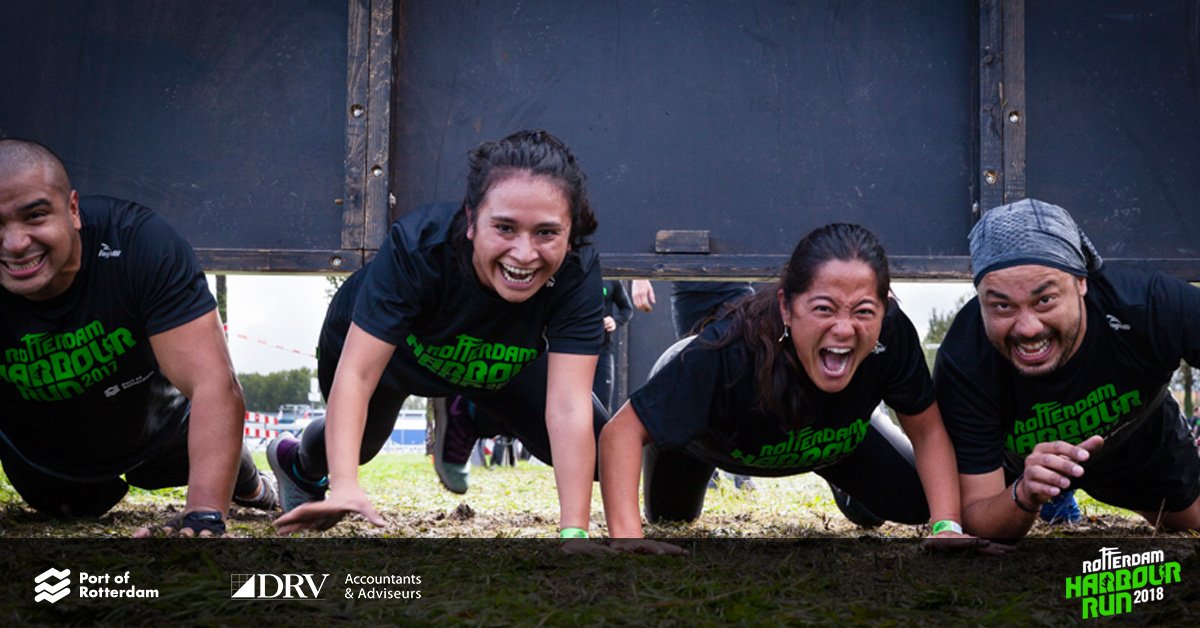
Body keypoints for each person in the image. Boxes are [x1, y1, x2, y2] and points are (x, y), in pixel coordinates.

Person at [269, 130, 610, 549]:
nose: (524, 254)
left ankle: (466, 409)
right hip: (392, 354)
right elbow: (357, 375)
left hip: (494, 358)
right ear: (471, 221)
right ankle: (296, 462)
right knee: (358, 447)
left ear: (571, 232)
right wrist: (344, 485)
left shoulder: (577, 272)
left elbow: (569, 405)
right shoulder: (418, 248)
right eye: (504, 228)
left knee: (602, 451)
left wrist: (574, 533)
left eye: (546, 233)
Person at [602, 224, 986, 553]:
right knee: (672, 518)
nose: (844, 328)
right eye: (824, 309)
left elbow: (928, 430)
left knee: (919, 502)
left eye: (864, 311)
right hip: (706, 441)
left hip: (832, 442)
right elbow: (620, 432)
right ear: (786, 307)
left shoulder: (892, 335)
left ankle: (842, 475)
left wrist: (947, 525)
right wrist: (626, 538)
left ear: (884, 308)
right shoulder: (725, 351)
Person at [0, 138, 277, 536]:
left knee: (228, 472)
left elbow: (213, 383)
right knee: (72, 509)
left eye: (35, 216)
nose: (15, 243)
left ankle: (257, 489)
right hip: (48, 457)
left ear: (73, 210)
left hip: (161, 427)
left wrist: (204, 515)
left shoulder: (139, 243)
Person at [935, 198, 1200, 540]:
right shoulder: (963, 360)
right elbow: (978, 517)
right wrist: (1024, 493)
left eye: (1045, 300)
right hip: (1023, 465)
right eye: (1002, 306)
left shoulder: (1147, 303)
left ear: (1081, 282)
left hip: (1135, 441)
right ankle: (1051, 495)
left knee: (1192, 524)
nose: (1028, 328)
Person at [630, 279, 759, 491]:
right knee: (696, 376)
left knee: (741, 370)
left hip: (735, 284)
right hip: (689, 288)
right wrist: (640, 277)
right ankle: (707, 470)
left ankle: (741, 469)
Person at [594, 279, 633, 412]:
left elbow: (627, 309)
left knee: (602, 404)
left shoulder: (611, 278)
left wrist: (615, 321)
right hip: (575, 350)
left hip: (603, 349)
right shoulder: (576, 274)